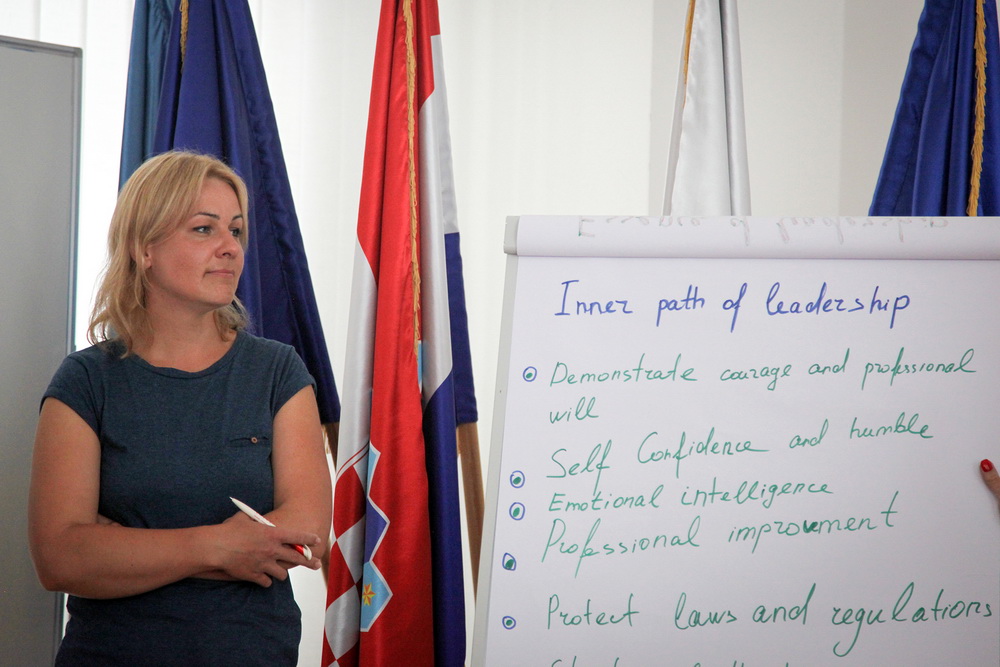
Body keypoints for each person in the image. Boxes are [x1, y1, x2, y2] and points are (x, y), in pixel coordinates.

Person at [28, 151, 331, 665]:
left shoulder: (278, 371)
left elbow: (305, 538)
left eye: (236, 230)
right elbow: (60, 559)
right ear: (144, 248)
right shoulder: (86, 380)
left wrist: (126, 547)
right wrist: (220, 547)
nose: (230, 247)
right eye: (203, 229)